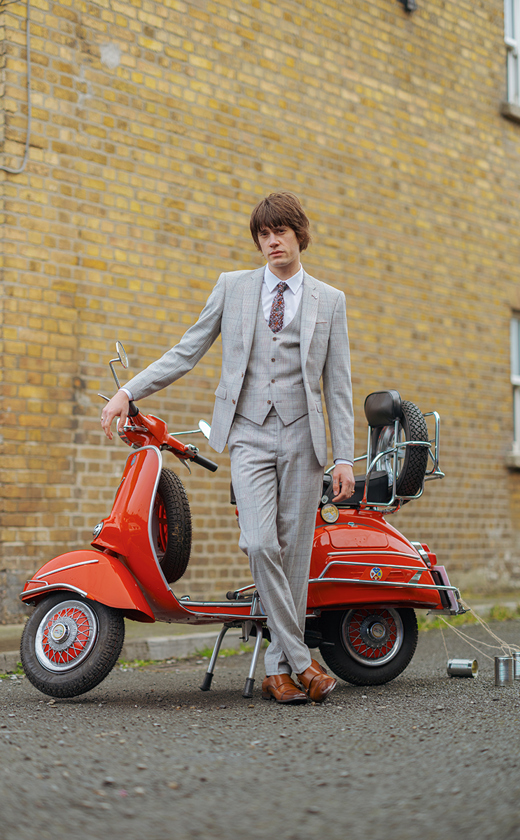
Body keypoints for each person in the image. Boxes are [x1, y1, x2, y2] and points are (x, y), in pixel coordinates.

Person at [101, 192, 355, 704]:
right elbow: (187, 350)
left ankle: (280, 672)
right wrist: (129, 391)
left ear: (299, 235)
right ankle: (304, 662)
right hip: (249, 434)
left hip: (304, 438)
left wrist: (344, 456)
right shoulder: (232, 288)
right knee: (261, 544)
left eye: (280, 231)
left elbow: (338, 386)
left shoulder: (330, 300)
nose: (272, 241)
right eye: (264, 234)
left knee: (293, 553)